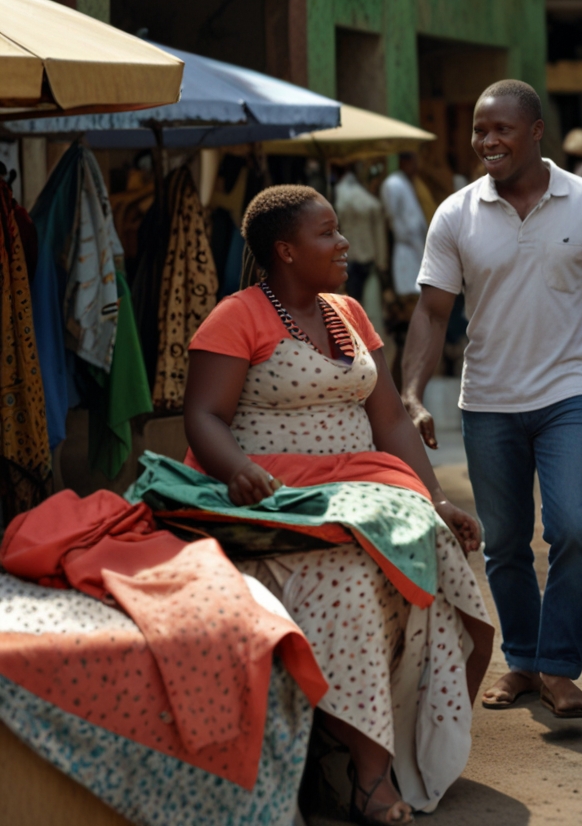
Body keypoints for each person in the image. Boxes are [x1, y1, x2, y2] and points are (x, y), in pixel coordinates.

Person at [183, 185, 492, 825]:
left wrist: (435, 498)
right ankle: (369, 777)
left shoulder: (349, 312)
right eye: (328, 233)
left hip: (365, 489)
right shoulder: (235, 316)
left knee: (442, 566)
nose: (345, 242)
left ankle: (399, 750)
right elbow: (203, 416)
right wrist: (238, 471)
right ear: (286, 251)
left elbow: (392, 424)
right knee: (351, 587)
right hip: (277, 502)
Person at [401, 80, 582, 719]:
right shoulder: (455, 212)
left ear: (536, 131)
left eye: (501, 130)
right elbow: (432, 311)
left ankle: (560, 668)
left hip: (573, 394)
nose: (487, 141)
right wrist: (412, 391)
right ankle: (524, 660)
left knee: (573, 529)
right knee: (504, 543)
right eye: (479, 130)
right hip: (487, 399)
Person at [380, 153, 428, 385]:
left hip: (416, 256)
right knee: (405, 332)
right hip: (404, 259)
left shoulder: (409, 184)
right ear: (403, 162)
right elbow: (394, 223)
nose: (416, 165)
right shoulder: (393, 184)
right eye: (413, 161)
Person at [333, 164, 388, 301]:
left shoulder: (338, 195)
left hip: (347, 258)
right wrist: (382, 262)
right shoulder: (368, 199)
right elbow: (379, 235)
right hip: (368, 258)